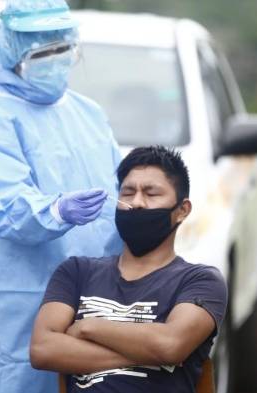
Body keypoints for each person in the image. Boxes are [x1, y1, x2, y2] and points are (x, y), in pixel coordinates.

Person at [0, 0, 122, 392]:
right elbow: (9, 208)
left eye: (63, 50)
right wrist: (57, 209)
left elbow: (119, 190)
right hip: (20, 302)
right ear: (13, 54)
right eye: (42, 54)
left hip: (94, 294)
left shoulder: (89, 113)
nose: (55, 60)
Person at [30, 146, 228, 393]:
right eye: (128, 192)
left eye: (151, 193)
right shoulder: (77, 272)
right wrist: (146, 353)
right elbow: (42, 350)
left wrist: (87, 327)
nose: (136, 203)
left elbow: (169, 345)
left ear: (182, 211)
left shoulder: (199, 281)